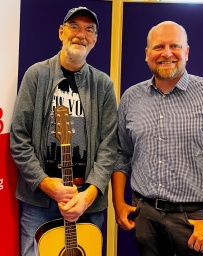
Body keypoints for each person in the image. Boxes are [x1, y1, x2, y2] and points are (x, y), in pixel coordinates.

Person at [112, 21, 203, 256]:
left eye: (175, 46)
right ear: (147, 54)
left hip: (196, 221)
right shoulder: (131, 98)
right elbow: (122, 153)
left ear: (186, 51)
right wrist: (118, 202)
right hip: (145, 218)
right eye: (158, 47)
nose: (166, 53)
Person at [10, 6, 117, 256]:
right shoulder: (36, 75)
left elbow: (109, 146)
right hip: (40, 202)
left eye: (89, 30)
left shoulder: (103, 85)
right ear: (61, 32)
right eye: (74, 27)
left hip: (86, 205)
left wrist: (89, 196)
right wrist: (46, 184)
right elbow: (19, 138)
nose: (81, 34)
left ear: (95, 40)